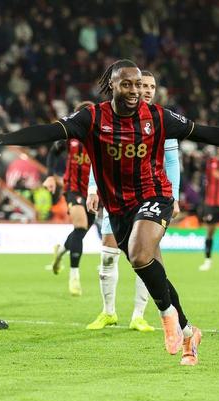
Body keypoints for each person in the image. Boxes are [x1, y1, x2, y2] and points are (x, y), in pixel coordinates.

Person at [0, 59, 219, 366]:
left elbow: (207, 133)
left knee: (140, 256)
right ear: (111, 85)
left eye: (138, 85)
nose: (134, 91)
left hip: (155, 195)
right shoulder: (92, 118)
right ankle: (188, 333)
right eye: (126, 84)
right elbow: (49, 132)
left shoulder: (157, 116)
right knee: (154, 271)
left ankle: (167, 317)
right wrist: (3, 139)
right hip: (119, 208)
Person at [84, 70, 180, 332]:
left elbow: (172, 162)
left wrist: (174, 196)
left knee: (144, 257)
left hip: (148, 197)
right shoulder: (110, 117)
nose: (146, 90)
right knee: (108, 253)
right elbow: (99, 157)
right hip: (115, 198)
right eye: (142, 85)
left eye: (151, 87)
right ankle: (108, 312)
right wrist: (93, 188)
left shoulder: (161, 120)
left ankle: (139, 314)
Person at [43, 101, 95, 296]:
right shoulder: (70, 136)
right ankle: (74, 277)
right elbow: (53, 153)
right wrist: (50, 176)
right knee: (80, 227)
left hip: (93, 192)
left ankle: (60, 252)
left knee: (79, 232)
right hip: (73, 189)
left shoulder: (101, 138)